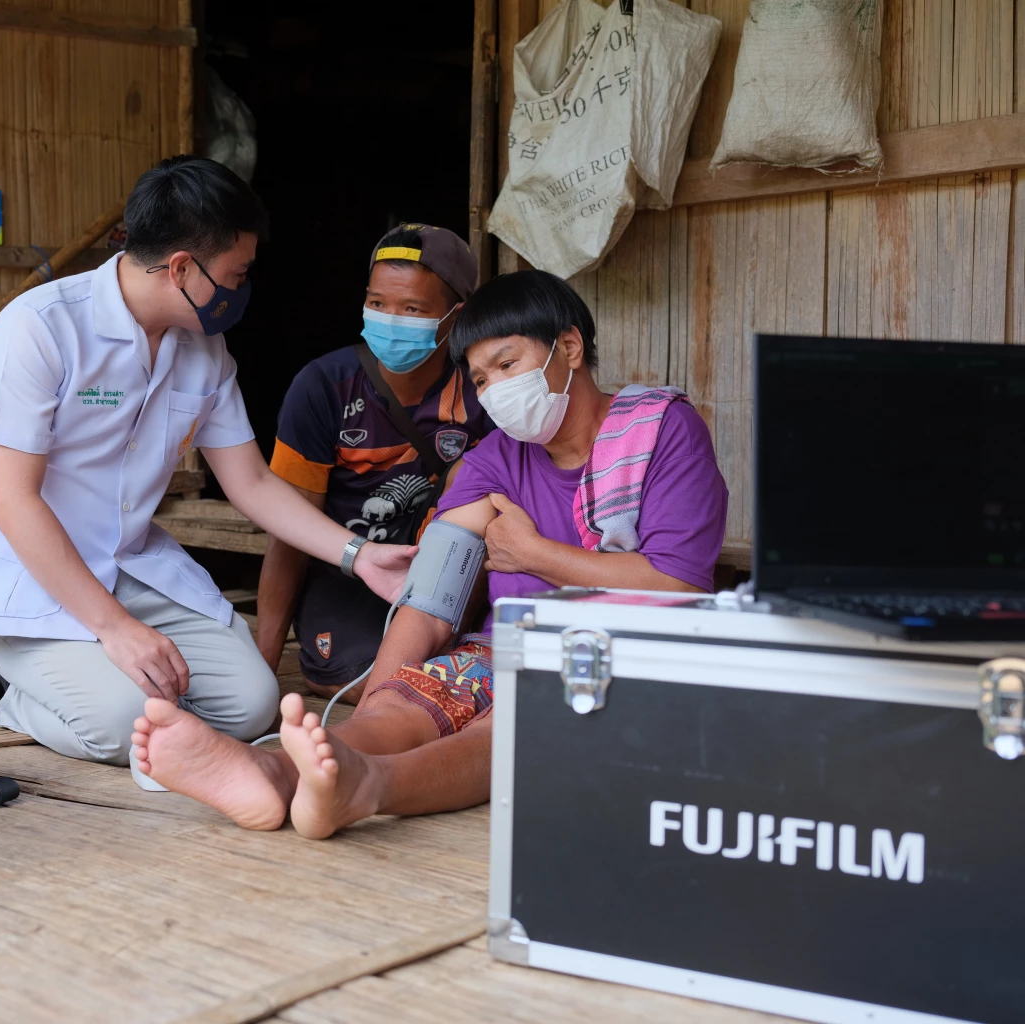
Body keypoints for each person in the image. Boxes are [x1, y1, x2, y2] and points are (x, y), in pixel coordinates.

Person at [129, 270, 729, 834]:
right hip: (506, 648)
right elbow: (433, 600)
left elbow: (677, 587)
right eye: (482, 377)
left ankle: (368, 788)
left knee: (509, 722)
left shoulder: (661, 430)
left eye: (507, 362)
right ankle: (268, 774)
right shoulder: (496, 459)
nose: (495, 389)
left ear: (568, 347)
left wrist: (534, 554)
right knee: (408, 704)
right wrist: (367, 718)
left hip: (625, 653)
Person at [0, 156, 413, 770]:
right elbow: (11, 501)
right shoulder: (39, 328)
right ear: (183, 268)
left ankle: (88, 674)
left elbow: (248, 482)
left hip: (129, 566)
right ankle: (17, 697)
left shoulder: (204, 349)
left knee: (252, 705)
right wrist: (115, 629)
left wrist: (358, 556)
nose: (244, 288)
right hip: (29, 575)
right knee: (125, 727)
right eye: (237, 273)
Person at [256, 224, 494, 704]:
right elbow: (289, 532)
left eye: (412, 309)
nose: (390, 319)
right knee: (359, 678)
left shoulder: (483, 389)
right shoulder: (324, 386)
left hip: (452, 578)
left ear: (454, 316)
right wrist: (263, 664)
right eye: (378, 303)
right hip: (349, 576)